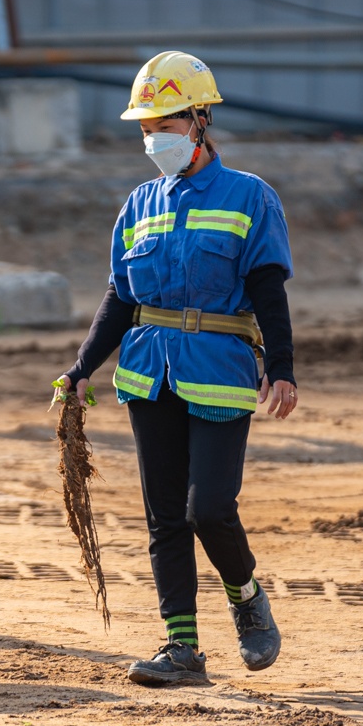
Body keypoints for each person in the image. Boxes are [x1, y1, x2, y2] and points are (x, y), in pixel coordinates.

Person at [58, 52, 296, 688]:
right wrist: (82, 369)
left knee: (210, 507)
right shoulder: (139, 203)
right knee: (165, 515)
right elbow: (119, 296)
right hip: (147, 372)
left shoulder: (250, 196)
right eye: (144, 126)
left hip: (219, 366)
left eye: (164, 122)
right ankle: (182, 647)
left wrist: (282, 366)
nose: (153, 136)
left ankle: (246, 597)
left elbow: (269, 290)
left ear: (199, 120)